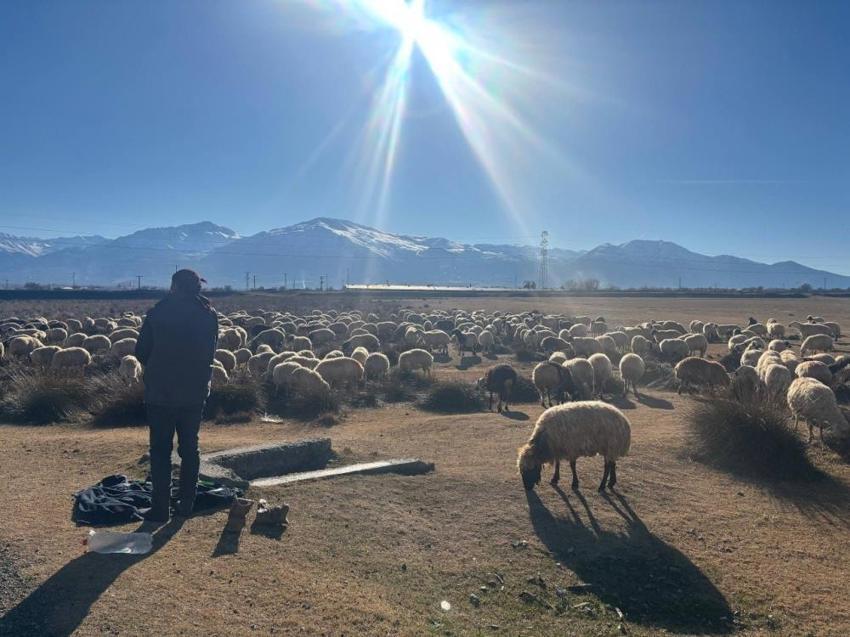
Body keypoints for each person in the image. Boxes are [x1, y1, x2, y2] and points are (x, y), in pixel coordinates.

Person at [135, 269, 218, 522]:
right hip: (193, 392)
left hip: (161, 392)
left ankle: (160, 508)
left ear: (173, 286)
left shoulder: (158, 311)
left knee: (160, 450)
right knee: (190, 448)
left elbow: (141, 352)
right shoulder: (208, 314)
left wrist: (161, 363)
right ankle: (186, 503)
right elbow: (211, 351)